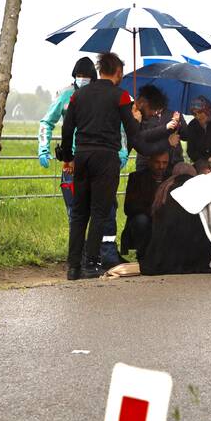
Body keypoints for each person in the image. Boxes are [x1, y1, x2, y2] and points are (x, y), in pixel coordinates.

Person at [61, 52, 150, 280]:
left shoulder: (78, 96)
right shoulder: (120, 97)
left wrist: (68, 156)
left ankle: (73, 267)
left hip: (82, 156)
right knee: (100, 212)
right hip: (106, 158)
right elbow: (132, 134)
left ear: (100, 70)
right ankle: (91, 264)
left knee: (79, 213)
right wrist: (138, 123)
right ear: (118, 72)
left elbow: (67, 128)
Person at [38, 57, 128, 267]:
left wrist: (122, 153)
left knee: (107, 210)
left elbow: (120, 129)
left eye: (86, 77)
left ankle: (106, 255)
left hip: (100, 160)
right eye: (79, 76)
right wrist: (44, 148)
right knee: (77, 212)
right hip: (72, 163)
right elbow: (47, 122)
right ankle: (80, 257)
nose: (82, 80)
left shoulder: (99, 96)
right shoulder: (66, 95)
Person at [121, 150, 170, 259]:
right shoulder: (136, 178)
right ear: (149, 161)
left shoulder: (171, 179)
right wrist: (153, 211)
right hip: (144, 219)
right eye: (157, 162)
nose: (161, 166)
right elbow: (128, 207)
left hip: (165, 218)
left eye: (164, 163)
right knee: (141, 220)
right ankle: (142, 256)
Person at [132, 85, 185, 173]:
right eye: (152, 109)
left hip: (171, 163)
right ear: (142, 103)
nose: (153, 114)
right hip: (146, 164)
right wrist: (167, 129)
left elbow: (185, 135)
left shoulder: (173, 112)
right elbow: (143, 141)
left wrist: (179, 124)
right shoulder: (136, 116)